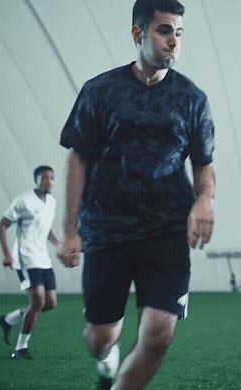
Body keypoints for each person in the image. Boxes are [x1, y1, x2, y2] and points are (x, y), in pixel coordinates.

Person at [57, 0, 216, 388]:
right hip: (107, 230)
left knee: (159, 331)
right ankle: (106, 356)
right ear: (138, 34)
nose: (173, 42)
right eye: (164, 31)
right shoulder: (100, 91)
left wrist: (205, 198)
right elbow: (79, 159)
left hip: (165, 231)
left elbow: (203, 163)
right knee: (100, 338)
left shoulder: (192, 99)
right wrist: (71, 230)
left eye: (179, 33)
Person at [0, 165, 60, 359]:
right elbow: (2, 225)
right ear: (36, 180)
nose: (48, 181)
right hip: (25, 258)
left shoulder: (51, 202)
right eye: (44, 178)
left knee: (50, 303)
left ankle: (9, 320)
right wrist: (7, 254)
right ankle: (20, 349)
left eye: (51, 178)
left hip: (43, 258)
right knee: (37, 301)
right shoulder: (23, 200)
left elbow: (46, 227)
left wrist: (58, 244)